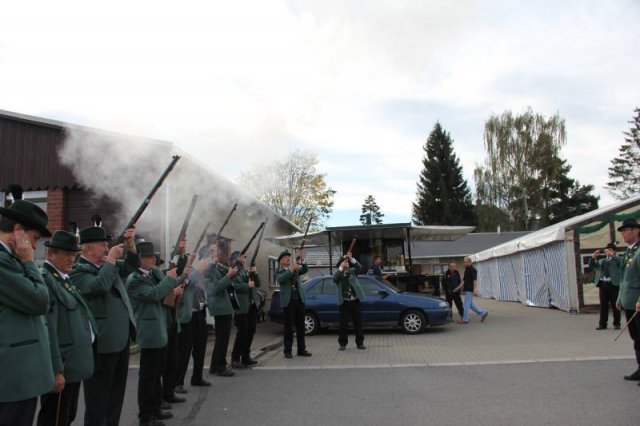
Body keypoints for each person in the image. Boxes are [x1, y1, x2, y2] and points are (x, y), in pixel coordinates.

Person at [71, 226, 138, 426]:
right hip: (102, 345)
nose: (107, 248)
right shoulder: (77, 271)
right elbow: (97, 287)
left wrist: (131, 245)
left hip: (120, 340)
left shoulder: (109, 266)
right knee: (98, 401)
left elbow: (133, 265)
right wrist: (110, 261)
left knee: (115, 397)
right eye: (102, 245)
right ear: (88, 249)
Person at [0, 199, 54, 426]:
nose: (34, 247)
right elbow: (40, 301)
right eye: (34, 239)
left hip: (19, 376)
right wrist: (30, 263)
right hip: (14, 378)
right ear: (18, 231)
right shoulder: (5, 261)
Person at [37, 231, 96, 426]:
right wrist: (56, 370)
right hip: (62, 365)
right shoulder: (47, 280)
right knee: (54, 418)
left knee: (67, 415)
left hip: (71, 364)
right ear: (50, 254)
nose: (72, 259)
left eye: (74, 254)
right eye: (67, 254)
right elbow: (49, 329)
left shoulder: (63, 279)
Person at [127, 241, 181, 426]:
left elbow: (166, 276)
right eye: (148, 256)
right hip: (149, 333)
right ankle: (146, 416)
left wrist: (178, 255)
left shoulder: (151, 274)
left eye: (153, 257)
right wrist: (169, 279)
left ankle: (156, 408)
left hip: (159, 330)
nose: (152, 259)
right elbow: (155, 294)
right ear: (139, 258)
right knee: (148, 377)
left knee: (157, 373)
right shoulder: (135, 279)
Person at [204, 244, 237, 377]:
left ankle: (214, 366)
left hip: (223, 306)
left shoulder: (216, 266)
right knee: (222, 339)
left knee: (222, 338)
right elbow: (215, 288)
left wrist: (232, 270)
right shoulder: (207, 268)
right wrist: (228, 276)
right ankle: (220, 366)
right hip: (219, 307)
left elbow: (230, 275)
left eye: (216, 250)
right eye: (212, 250)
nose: (215, 253)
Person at [175, 267, 210, 389]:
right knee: (184, 352)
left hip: (200, 314)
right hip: (187, 317)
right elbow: (187, 281)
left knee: (200, 349)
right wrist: (195, 271)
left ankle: (197, 377)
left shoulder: (199, 284)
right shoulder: (184, 278)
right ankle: (177, 382)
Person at [615, 218, 640, 384]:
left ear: (636, 231)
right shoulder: (629, 251)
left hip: (637, 303)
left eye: (626, 230)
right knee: (636, 337)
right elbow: (623, 277)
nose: (623, 233)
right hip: (629, 301)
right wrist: (619, 297)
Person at [276, 250, 312, 358]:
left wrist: (301, 259)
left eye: (288, 257)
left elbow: (305, 269)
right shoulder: (280, 271)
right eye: (285, 257)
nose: (288, 258)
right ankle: (287, 351)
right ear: (281, 261)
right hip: (289, 302)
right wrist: (291, 270)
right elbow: (281, 280)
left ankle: (301, 349)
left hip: (299, 301)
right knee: (288, 328)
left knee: (301, 327)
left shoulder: (295, 269)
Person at [230, 251, 260, 368]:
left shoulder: (248, 271)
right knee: (242, 333)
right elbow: (235, 286)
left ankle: (246, 357)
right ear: (237, 258)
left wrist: (255, 273)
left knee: (251, 331)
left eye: (245, 256)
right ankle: (235, 358)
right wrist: (247, 285)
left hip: (252, 306)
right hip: (241, 307)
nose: (245, 258)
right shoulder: (234, 271)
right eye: (243, 256)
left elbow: (257, 283)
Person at [334, 253, 366, 350]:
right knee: (343, 324)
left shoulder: (352, 271)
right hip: (344, 302)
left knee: (358, 323)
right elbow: (335, 278)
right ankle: (342, 343)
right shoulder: (339, 273)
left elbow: (359, 268)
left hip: (355, 300)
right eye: (345, 261)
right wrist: (340, 268)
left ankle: (360, 342)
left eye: (347, 262)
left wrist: (352, 258)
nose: (347, 263)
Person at [589, 243, 622, 330]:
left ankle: (617, 323)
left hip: (614, 284)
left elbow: (622, 262)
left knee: (615, 305)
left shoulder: (617, 260)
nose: (608, 251)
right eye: (607, 250)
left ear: (614, 251)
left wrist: (612, 255)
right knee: (603, 305)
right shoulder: (602, 261)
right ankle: (602, 324)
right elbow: (592, 266)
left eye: (610, 250)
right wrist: (593, 257)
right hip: (603, 284)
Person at [457, 257, 488, 324]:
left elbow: (474, 280)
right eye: (464, 262)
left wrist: (475, 289)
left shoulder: (473, 270)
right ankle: (483, 313)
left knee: (466, 305)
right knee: (470, 305)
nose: (464, 263)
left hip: (470, 290)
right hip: (467, 289)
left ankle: (465, 319)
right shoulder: (466, 270)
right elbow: (464, 281)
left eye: (465, 262)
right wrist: (459, 288)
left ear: (469, 262)